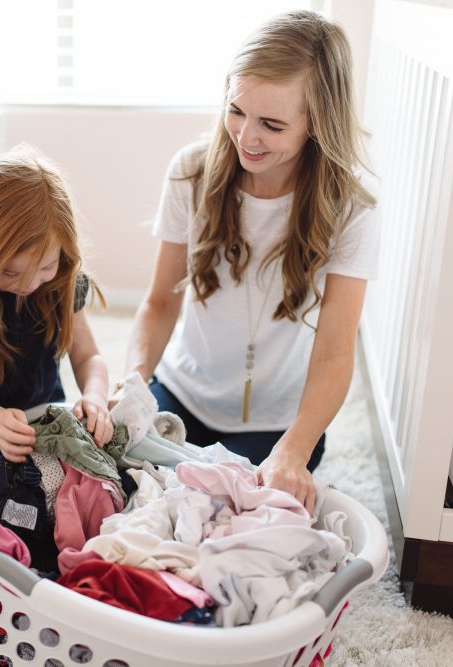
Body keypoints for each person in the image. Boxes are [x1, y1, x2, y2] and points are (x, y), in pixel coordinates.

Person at [120, 10, 380, 513]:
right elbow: (157, 304)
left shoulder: (352, 209)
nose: (246, 137)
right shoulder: (191, 173)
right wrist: (133, 383)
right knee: (131, 500)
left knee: (237, 517)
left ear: (318, 123)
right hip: (181, 398)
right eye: (236, 110)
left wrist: (296, 449)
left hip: (280, 427)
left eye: (273, 124)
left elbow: (334, 353)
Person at [0, 145, 113, 461]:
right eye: (10, 271)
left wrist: (95, 395)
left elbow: (88, 356)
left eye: (45, 267)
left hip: (41, 417)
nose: (28, 284)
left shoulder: (63, 281)